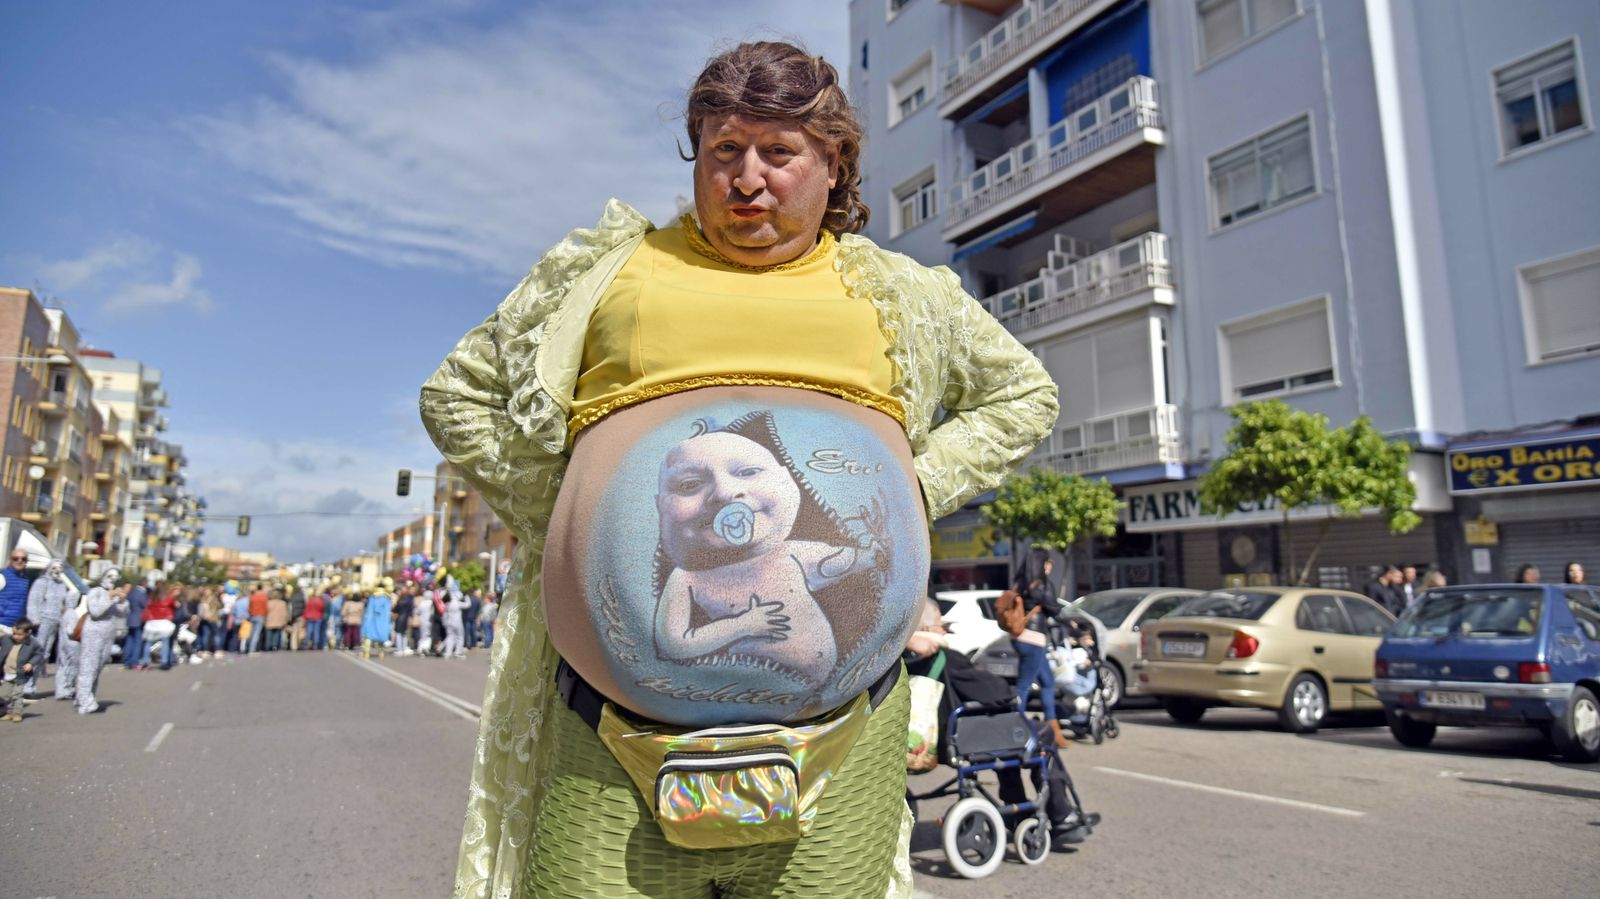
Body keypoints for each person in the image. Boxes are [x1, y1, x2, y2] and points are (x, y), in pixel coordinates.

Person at [420, 41, 1056, 898]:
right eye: (725, 149)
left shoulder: (897, 293)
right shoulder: (611, 273)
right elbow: (458, 393)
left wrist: (915, 486)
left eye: (778, 152)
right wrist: (569, 510)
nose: (747, 178)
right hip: (607, 736)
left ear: (834, 163)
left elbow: (1023, 393)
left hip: (846, 738)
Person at [998, 588, 1068, 747]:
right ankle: (1015, 728)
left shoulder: (1021, 581)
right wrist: (1072, 623)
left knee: (1047, 682)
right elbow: (1052, 607)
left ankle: (1052, 729)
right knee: (1024, 686)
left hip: (1024, 637)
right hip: (1032, 639)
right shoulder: (1039, 583)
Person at [77, 568, 128, 714]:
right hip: (93, 634)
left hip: (107, 635)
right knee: (89, 667)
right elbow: (95, 611)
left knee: (97, 668)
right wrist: (110, 596)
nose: (112, 579)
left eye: (115, 577)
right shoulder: (95, 592)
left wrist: (122, 601)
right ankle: (84, 703)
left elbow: (121, 613)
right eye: (110, 576)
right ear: (103, 577)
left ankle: (87, 698)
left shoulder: (112, 594)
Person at [26, 560, 75, 669]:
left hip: (55, 621)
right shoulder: (41, 582)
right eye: (54, 568)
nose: (57, 571)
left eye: (59, 568)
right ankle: (32, 670)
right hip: (43, 620)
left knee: (47, 647)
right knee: (39, 645)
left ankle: (40, 668)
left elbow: (65, 602)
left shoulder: (61, 584)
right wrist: (34, 619)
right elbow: (34, 600)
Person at [1, 618, 41, 719]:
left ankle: (17, 713)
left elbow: (39, 654)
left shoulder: (32, 644)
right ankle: (8, 712)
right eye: (14, 634)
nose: (16, 636)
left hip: (20, 674)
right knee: (4, 694)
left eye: (19, 635)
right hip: (8, 673)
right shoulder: (8, 639)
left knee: (17, 694)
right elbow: (2, 636)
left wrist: (31, 664)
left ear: (28, 633)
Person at [142, 585, 179, 670]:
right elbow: (176, 605)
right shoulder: (168, 598)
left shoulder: (151, 599)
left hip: (152, 622)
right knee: (165, 642)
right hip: (164, 622)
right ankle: (164, 662)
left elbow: (147, 607)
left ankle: (145, 662)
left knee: (148, 642)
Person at [0, 547, 35, 634]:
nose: (20, 561)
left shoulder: (26, 579)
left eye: (23, 559)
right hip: (2, 626)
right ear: (10, 560)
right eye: (16, 558)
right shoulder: (2, 576)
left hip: (17, 628)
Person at [53, 600, 81, 702]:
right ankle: (68, 689)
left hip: (62, 644)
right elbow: (71, 630)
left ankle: (60, 690)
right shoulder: (72, 614)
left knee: (62, 667)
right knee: (72, 666)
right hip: (71, 644)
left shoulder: (64, 613)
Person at [122, 574, 151, 669]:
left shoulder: (132, 592)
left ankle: (126, 659)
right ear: (145, 583)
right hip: (138, 619)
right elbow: (145, 605)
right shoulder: (142, 593)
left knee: (130, 639)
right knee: (138, 641)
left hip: (130, 618)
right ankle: (134, 661)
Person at [361, 582, 393, 659]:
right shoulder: (387, 598)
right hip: (382, 620)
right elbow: (388, 611)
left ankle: (366, 651)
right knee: (381, 636)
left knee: (369, 635)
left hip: (372, 619)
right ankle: (381, 653)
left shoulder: (372, 597)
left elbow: (369, 610)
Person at [439, 577, 468, 660]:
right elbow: (467, 605)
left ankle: (447, 653)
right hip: (457, 622)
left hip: (449, 622)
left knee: (450, 637)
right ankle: (458, 653)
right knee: (460, 637)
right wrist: (467, 597)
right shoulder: (457, 603)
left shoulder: (447, 604)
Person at [246, 583, 270, 654]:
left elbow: (249, 607)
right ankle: (252, 649)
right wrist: (265, 615)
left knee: (252, 633)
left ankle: (248, 647)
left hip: (253, 615)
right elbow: (266, 608)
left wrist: (251, 613)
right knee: (256, 634)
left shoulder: (253, 596)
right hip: (260, 616)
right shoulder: (264, 597)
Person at [390, 588, 413, 655]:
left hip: (399, 618)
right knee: (404, 634)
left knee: (399, 634)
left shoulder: (399, 600)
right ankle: (404, 648)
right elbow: (410, 610)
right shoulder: (409, 600)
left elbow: (395, 609)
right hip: (406, 618)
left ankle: (399, 649)